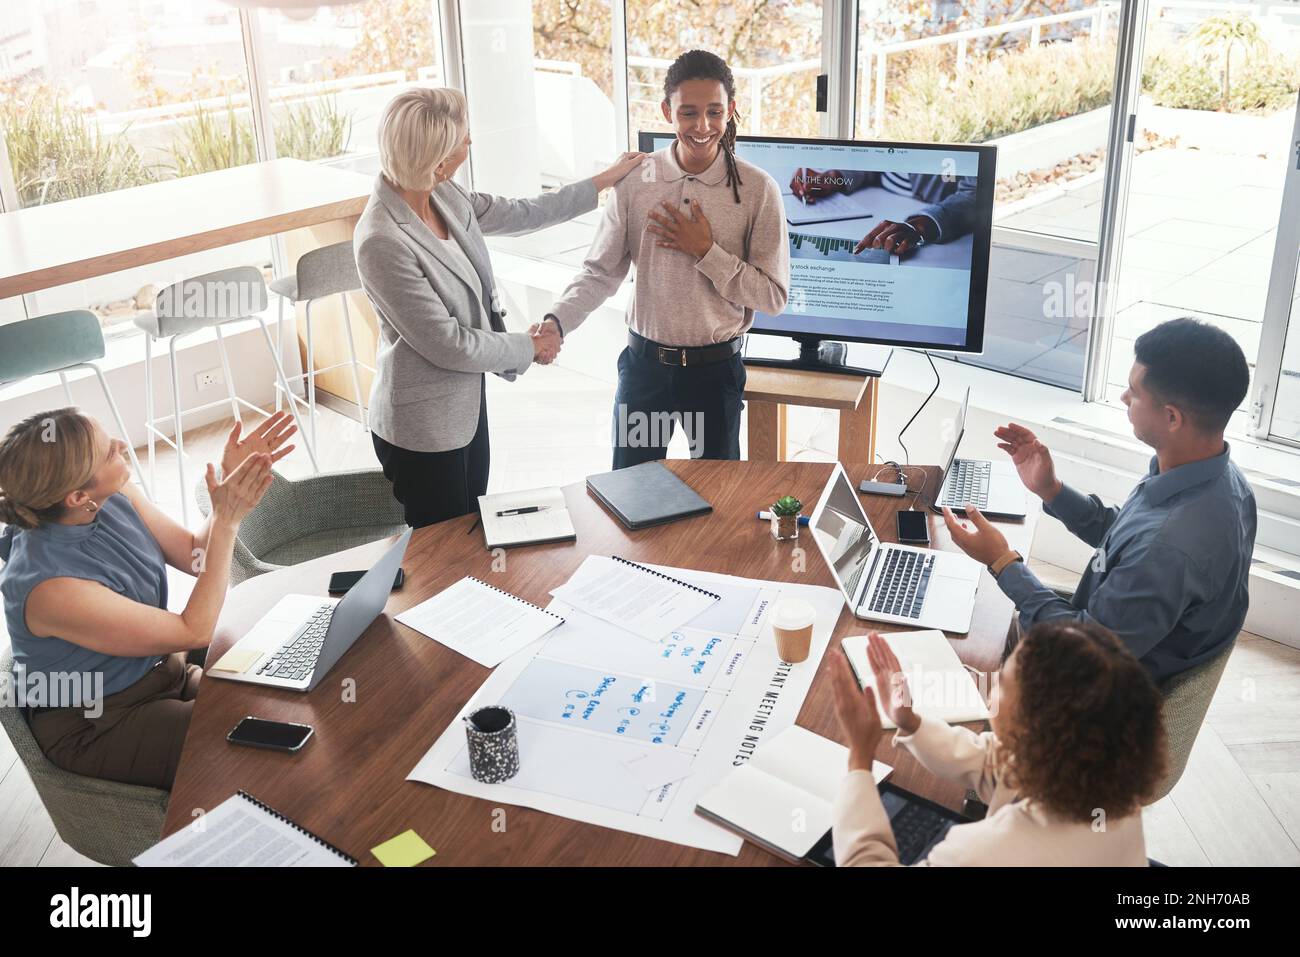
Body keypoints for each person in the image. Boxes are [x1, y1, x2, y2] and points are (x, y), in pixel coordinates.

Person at [355, 86, 644, 527]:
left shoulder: (444, 195)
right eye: (463, 139)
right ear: (435, 159)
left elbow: (526, 212)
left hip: (465, 408)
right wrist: (530, 346)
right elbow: (448, 344)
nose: (470, 144)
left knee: (469, 528)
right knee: (439, 551)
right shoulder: (382, 240)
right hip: (422, 427)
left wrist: (604, 181)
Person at [940, 316, 1255, 683]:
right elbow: (1126, 541)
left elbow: (1081, 654)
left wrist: (1001, 560)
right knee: (964, 608)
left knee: (935, 647)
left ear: (1171, 417)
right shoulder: (1221, 480)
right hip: (1106, 637)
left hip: (1085, 691)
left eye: (1134, 392)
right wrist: (1052, 490)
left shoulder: (1169, 547)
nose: (1124, 397)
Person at [0, 409, 291, 790]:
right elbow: (195, 629)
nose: (122, 445)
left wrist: (227, 483)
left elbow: (194, 554)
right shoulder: (50, 587)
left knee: (283, 700)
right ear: (77, 496)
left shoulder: (111, 496)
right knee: (263, 744)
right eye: (108, 453)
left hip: (163, 674)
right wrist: (227, 519)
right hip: (102, 719)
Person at [543, 49, 790, 468]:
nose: (702, 126)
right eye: (688, 113)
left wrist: (706, 252)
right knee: (631, 495)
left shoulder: (758, 190)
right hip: (645, 374)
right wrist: (556, 322)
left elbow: (773, 296)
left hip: (715, 376)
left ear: (731, 110)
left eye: (714, 111)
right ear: (666, 111)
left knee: (718, 504)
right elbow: (600, 272)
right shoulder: (636, 182)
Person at [830, 625, 1165, 866]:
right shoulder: (1108, 785)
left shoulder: (982, 854)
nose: (991, 690)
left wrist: (860, 758)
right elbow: (1000, 765)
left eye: (1002, 683)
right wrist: (909, 720)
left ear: (1033, 729)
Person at [789, 168, 977, 258]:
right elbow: (874, 162)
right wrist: (837, 178)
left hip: (942, 237)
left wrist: (920, 225)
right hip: (874, 201)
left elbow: (974, 195)